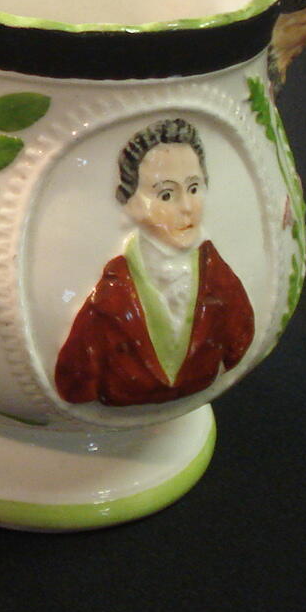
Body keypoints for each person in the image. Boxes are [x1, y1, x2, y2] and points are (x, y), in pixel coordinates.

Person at [55, 118, 254, 407]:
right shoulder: (107, 301)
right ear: (129, 202)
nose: (187, 207)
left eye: (194, 188)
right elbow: (74, 383)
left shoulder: (222, 283)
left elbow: (239, 346)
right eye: (166, 194)